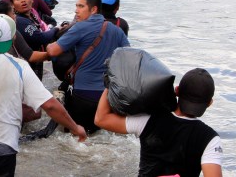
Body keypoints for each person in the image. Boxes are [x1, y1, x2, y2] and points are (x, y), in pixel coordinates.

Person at [0, 12, 87, 176]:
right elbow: (50, 105)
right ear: (13, 39)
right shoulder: (20, 67)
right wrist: (75, 128)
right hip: (0, 151)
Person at [94, 68, 222, 177]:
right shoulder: (210, 138)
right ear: (209, 103)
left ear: (177, 91)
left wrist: (110, 83)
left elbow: (101, 119)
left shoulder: (148, 120)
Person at [46, 0, 130, 133]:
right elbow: (128, 58)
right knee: (100, 137)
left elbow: (53, 51)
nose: (76, 10)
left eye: (81, 6)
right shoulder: (117, 31)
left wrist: (49, 45)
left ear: (94, 9)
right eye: (76, 6)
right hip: (108, 96)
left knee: (77, 137)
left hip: (83, 95)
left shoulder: (80, 27)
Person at [9, 0, 57, 79]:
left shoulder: (32, 14)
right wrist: (56, 29)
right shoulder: (20, 21)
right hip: (26, 64)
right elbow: (40, 38)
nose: (23, 0)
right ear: (12, 5)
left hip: (36, 60)